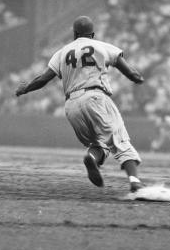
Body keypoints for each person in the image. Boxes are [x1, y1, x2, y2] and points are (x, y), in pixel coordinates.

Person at [15, 16, 145, 192]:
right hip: (95, 98)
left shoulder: (62, 52)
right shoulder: (102, 46)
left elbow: (44, 78)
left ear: (74, 33)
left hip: (71, 106)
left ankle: (92, 158)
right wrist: (138, 78)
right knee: (120, 140)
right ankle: (135, 181)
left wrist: (26, 88)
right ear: (92, 33)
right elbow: (129, 71)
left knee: (100, 144)